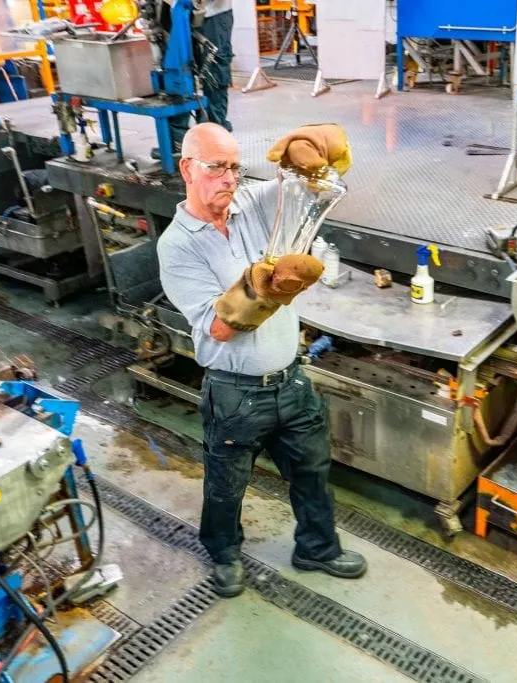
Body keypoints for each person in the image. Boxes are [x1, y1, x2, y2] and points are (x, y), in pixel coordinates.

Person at [157, 122, 366, 597]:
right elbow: (217, 327)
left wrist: (312, 150)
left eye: (234, 167)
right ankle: (225, 555)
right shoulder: (177, 245)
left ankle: (317, 547)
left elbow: (306, 186)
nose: (229, 178)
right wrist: (262, 292)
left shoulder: (252, 203)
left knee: (313, 472)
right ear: (188, 168)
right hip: (235, 392)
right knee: (227, 484)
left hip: (291, 380)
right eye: (217, 167)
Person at [165, 0, 235, 156]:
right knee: (177, 73)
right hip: (175, 11)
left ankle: (214, 140)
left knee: (213, 74)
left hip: (212, 13)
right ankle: (179, 141)